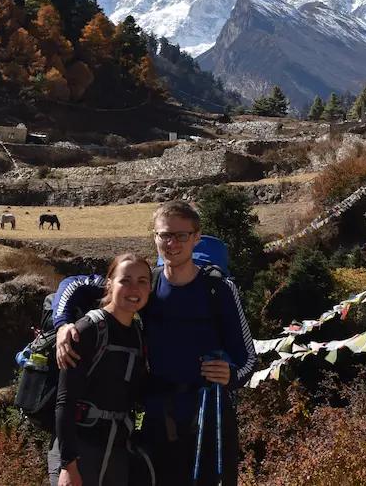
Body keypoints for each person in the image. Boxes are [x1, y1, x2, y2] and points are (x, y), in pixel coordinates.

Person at [54, 201, 257, 485]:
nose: (172, 243)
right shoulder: (147, 285)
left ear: (197, 237)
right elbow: (74, 284)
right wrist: (62, 325)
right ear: (155, 238)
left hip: (209, 419)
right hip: (158, 421)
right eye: (165, 235)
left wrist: (231, 375)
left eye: (182, 235)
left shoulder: (219, 288)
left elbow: (248, 358)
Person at [48, 252, 151, 486]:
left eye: (142, 281)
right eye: (125, 280)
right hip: (79, 452)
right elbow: (64, 402)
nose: (134, 288)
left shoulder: (137, 334)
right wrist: (67, 466)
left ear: (150, 289)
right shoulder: (86, 331)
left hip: (116, 451)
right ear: (109, 284)